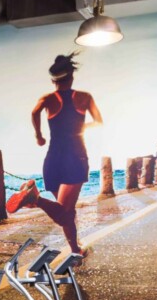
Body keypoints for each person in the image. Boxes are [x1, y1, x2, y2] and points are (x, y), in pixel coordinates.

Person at [7, 52, 102, 258]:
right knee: (65, 213)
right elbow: (98, 121)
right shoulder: (85, 97)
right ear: (72, 76)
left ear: (53, 80)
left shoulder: (48, 98)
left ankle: (76, 250)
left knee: (67, 211)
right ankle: (34, 198)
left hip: (53, 160)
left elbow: (34, 112)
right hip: (76, 158)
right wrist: (79, 126)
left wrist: (39, 135)